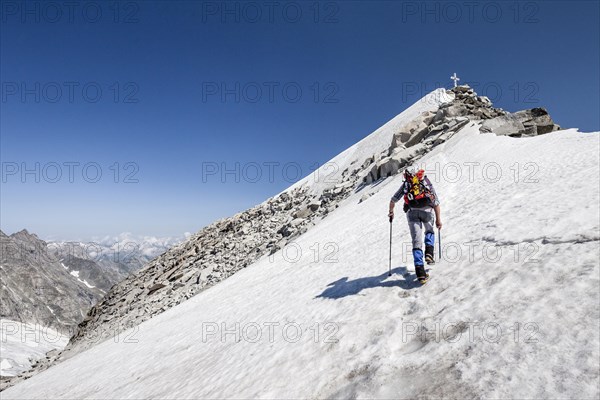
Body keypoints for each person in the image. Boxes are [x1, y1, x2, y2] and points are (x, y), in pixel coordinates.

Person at [388, 166, 442, 283]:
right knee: (429, 231)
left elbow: (393, 200)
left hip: (411, 212)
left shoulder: (407, 185)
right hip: (427, 212)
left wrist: (391, 213)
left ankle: (421, 274)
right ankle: (429, 253)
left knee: (416, 241)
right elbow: (436, 202)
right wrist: (438, 220)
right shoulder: (425, 182)